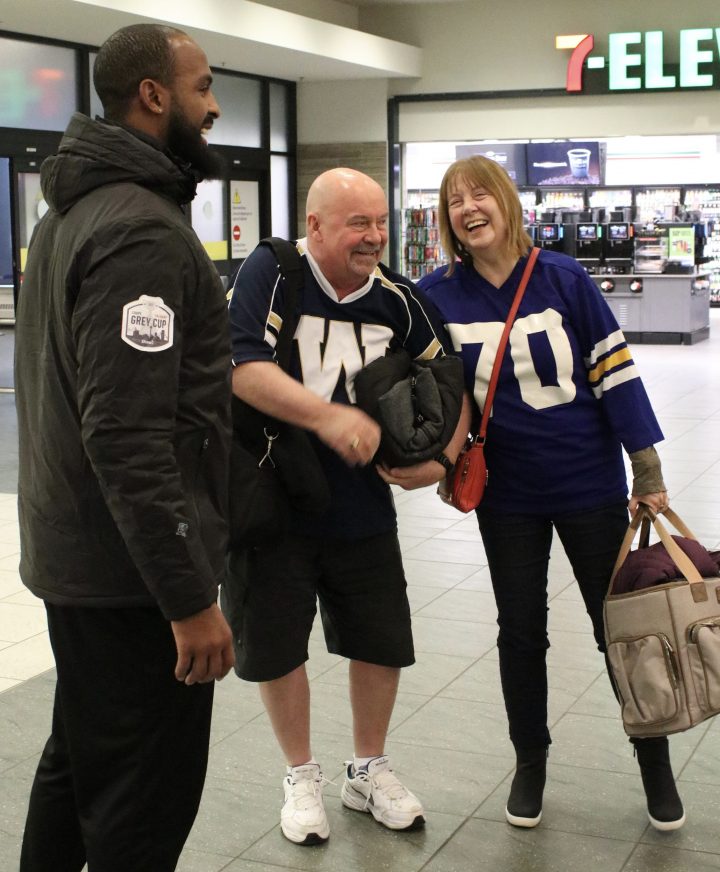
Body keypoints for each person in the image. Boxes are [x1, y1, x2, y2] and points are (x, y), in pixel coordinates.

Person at [14, 23, 235, 871]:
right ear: (153, 95)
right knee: (140, 811)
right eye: (203, 86)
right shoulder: (138, 230)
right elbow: (126, 432)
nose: (213, 107)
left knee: (79, 774)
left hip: (84, 560)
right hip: (129, 582)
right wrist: (187, 597)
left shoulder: (78, 211)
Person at [417, 155, 684, 832]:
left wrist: (646, 471)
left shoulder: (564, 279)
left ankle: (652, 760)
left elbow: (616, 374)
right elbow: (430, 393)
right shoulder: (437, 294)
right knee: (520, 632)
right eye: (454, 201)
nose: (467, 208)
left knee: (615, 628)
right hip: (504, 494)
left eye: (479, 194)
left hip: (586, 484)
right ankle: (529, 760)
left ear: (506, 201)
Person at [227, 167, 470, 846]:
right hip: (271, 503)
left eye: (381, 223)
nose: (375, 237)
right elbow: (241, 366)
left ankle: (367, 769)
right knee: (276, 646)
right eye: (358, 224)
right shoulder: (273, 272)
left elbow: (452, 379)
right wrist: (330, 419)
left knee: (380, 639)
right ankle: (300, 775)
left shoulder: (398, 299)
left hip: (361, 509)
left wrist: (442, 461)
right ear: (316, 226)